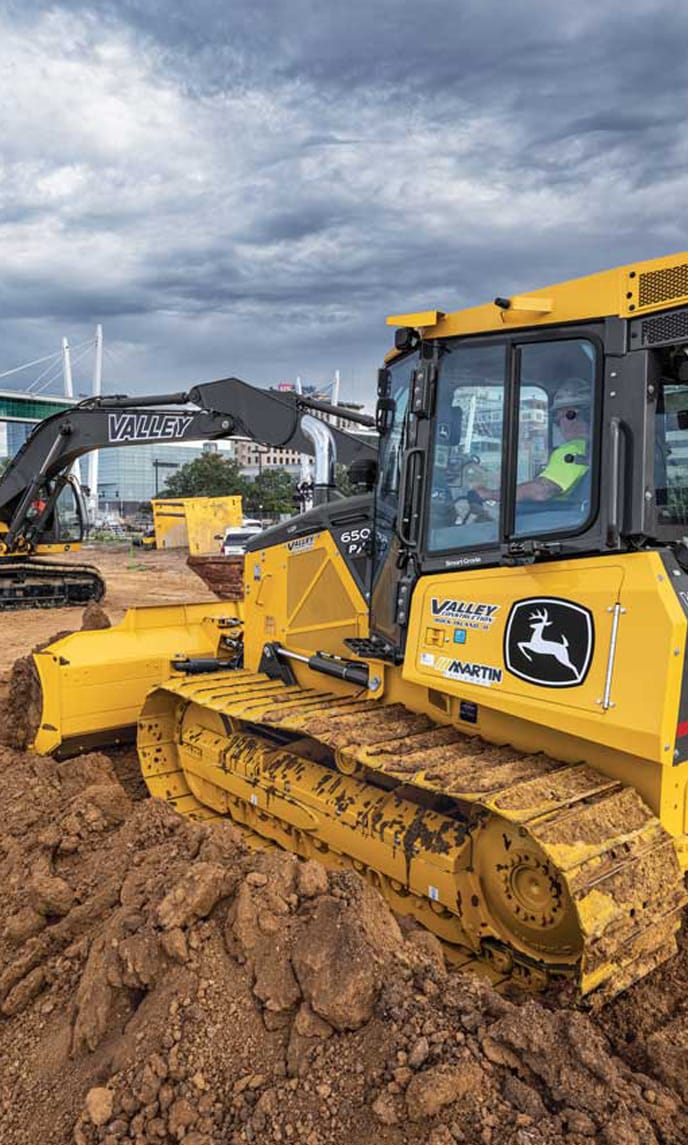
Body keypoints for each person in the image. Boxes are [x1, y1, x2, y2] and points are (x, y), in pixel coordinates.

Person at [473, 378, 591, 504]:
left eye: (562, 416)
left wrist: (489, 494)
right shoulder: (587, 448)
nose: (559, 423)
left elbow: (541, 491)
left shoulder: (571, 451)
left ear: (580, 416)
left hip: (556, 514)